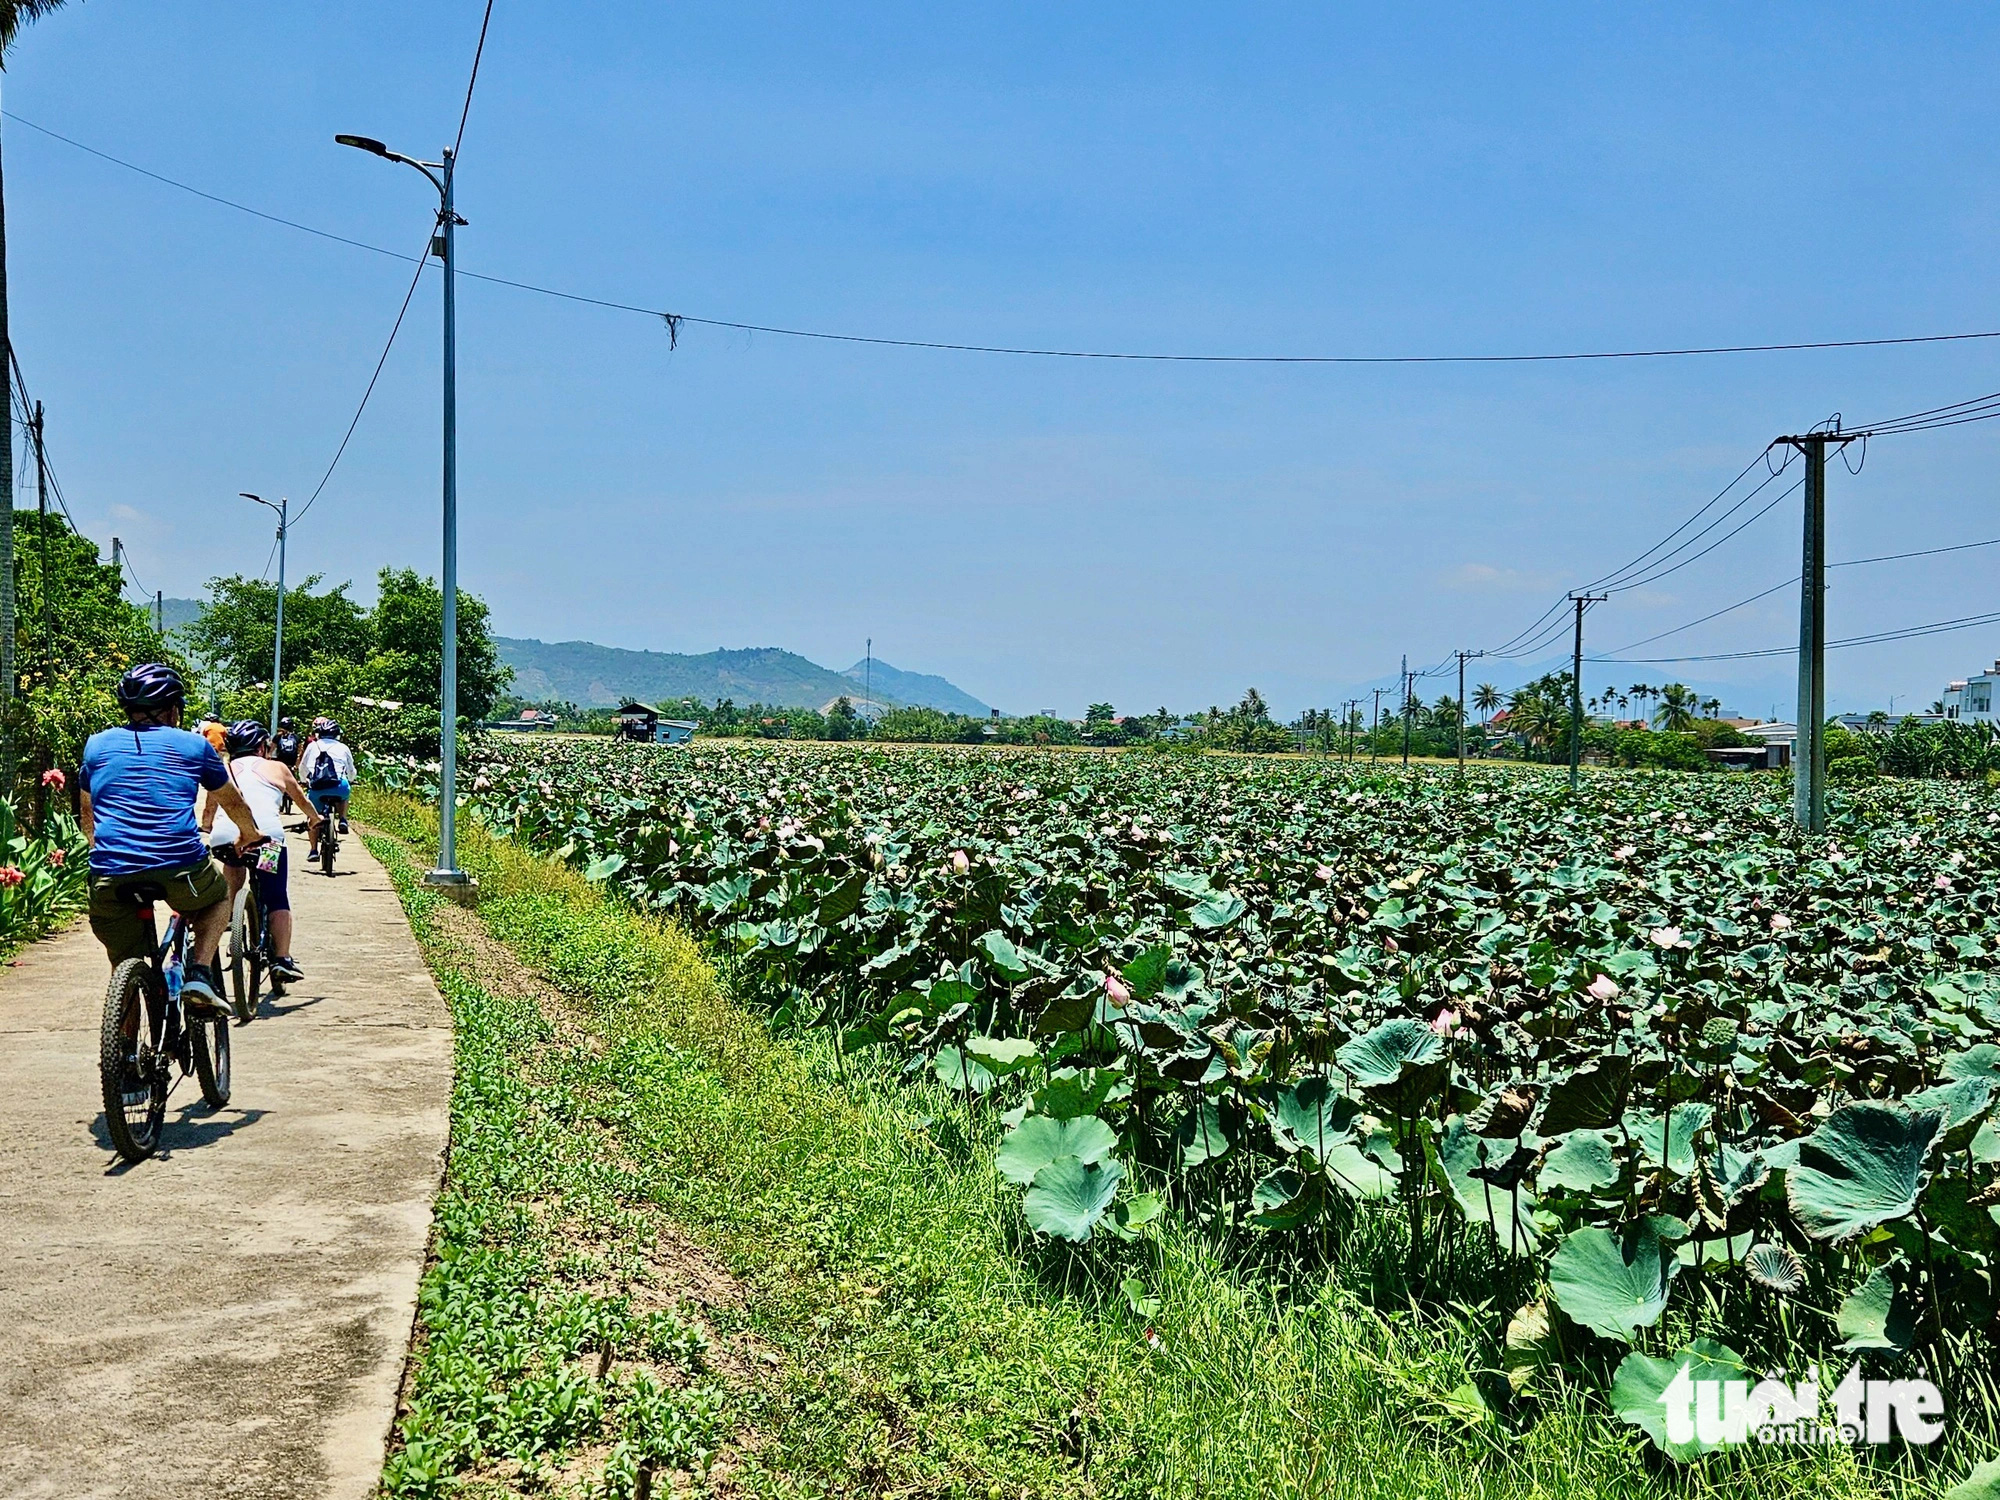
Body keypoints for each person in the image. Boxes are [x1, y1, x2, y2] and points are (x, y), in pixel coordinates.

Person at [79, 664, 260, 1012]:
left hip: (109, 874)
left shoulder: (96, 745)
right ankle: (200, 974)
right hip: (178, 866)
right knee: (219, 898)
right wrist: (250, 834)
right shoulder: (194, 746)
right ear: (173, 708)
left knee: (124, 967)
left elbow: (88, 810)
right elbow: (230, 799)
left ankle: (126, 1054)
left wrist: (97, 847)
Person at [204, 720, 319, 987]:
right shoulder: (276, 767)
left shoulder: (225, 769)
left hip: (226, 840)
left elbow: (209, 813)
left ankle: (233, 930)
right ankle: (281, 959)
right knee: (276, 896)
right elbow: (301, 800)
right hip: (266, 842)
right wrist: (315, 819)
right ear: (262, 747)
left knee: (231, 880)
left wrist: (209, 827)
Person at [299, 721, 356, 844]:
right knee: (344, 796)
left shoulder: (312, 746)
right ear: (337, 734)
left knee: (313, 817)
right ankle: (342, 819)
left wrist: (304, 780)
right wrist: (350, 780)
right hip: (340, 786)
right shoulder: (343, 748)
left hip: (317, 788)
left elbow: (303, 767)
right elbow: (351, 770)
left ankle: (313, 850)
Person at [272, 716, 303, 812]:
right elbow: (300, 752)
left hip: (280, 764)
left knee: (276, 783)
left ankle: (278, 798)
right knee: (293, 783)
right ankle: (293, 796)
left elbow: (271, 749)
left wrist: (268, 759)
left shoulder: (277, 737)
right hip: (291, 764)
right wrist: (297, 765)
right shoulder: (296, 737)